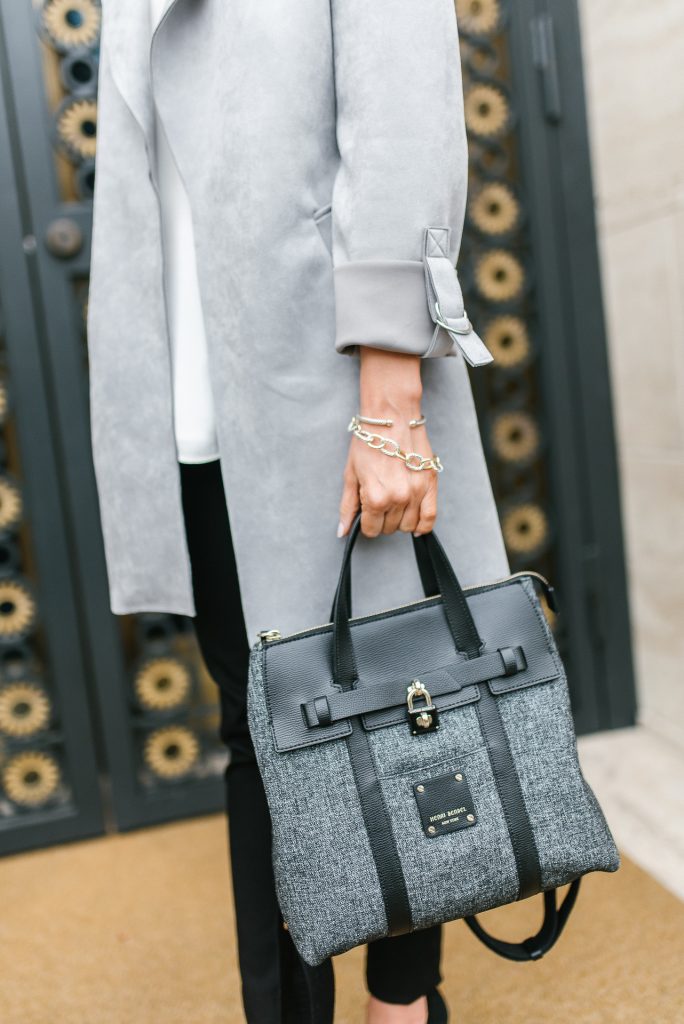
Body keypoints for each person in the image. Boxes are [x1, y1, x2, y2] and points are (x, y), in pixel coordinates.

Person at [87, 2, 510, 1022]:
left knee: (401, 700)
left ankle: (403, 1005)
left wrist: (391, 402)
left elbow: (403, 118)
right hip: (191, 410)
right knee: (260, 729)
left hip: (333, 392)